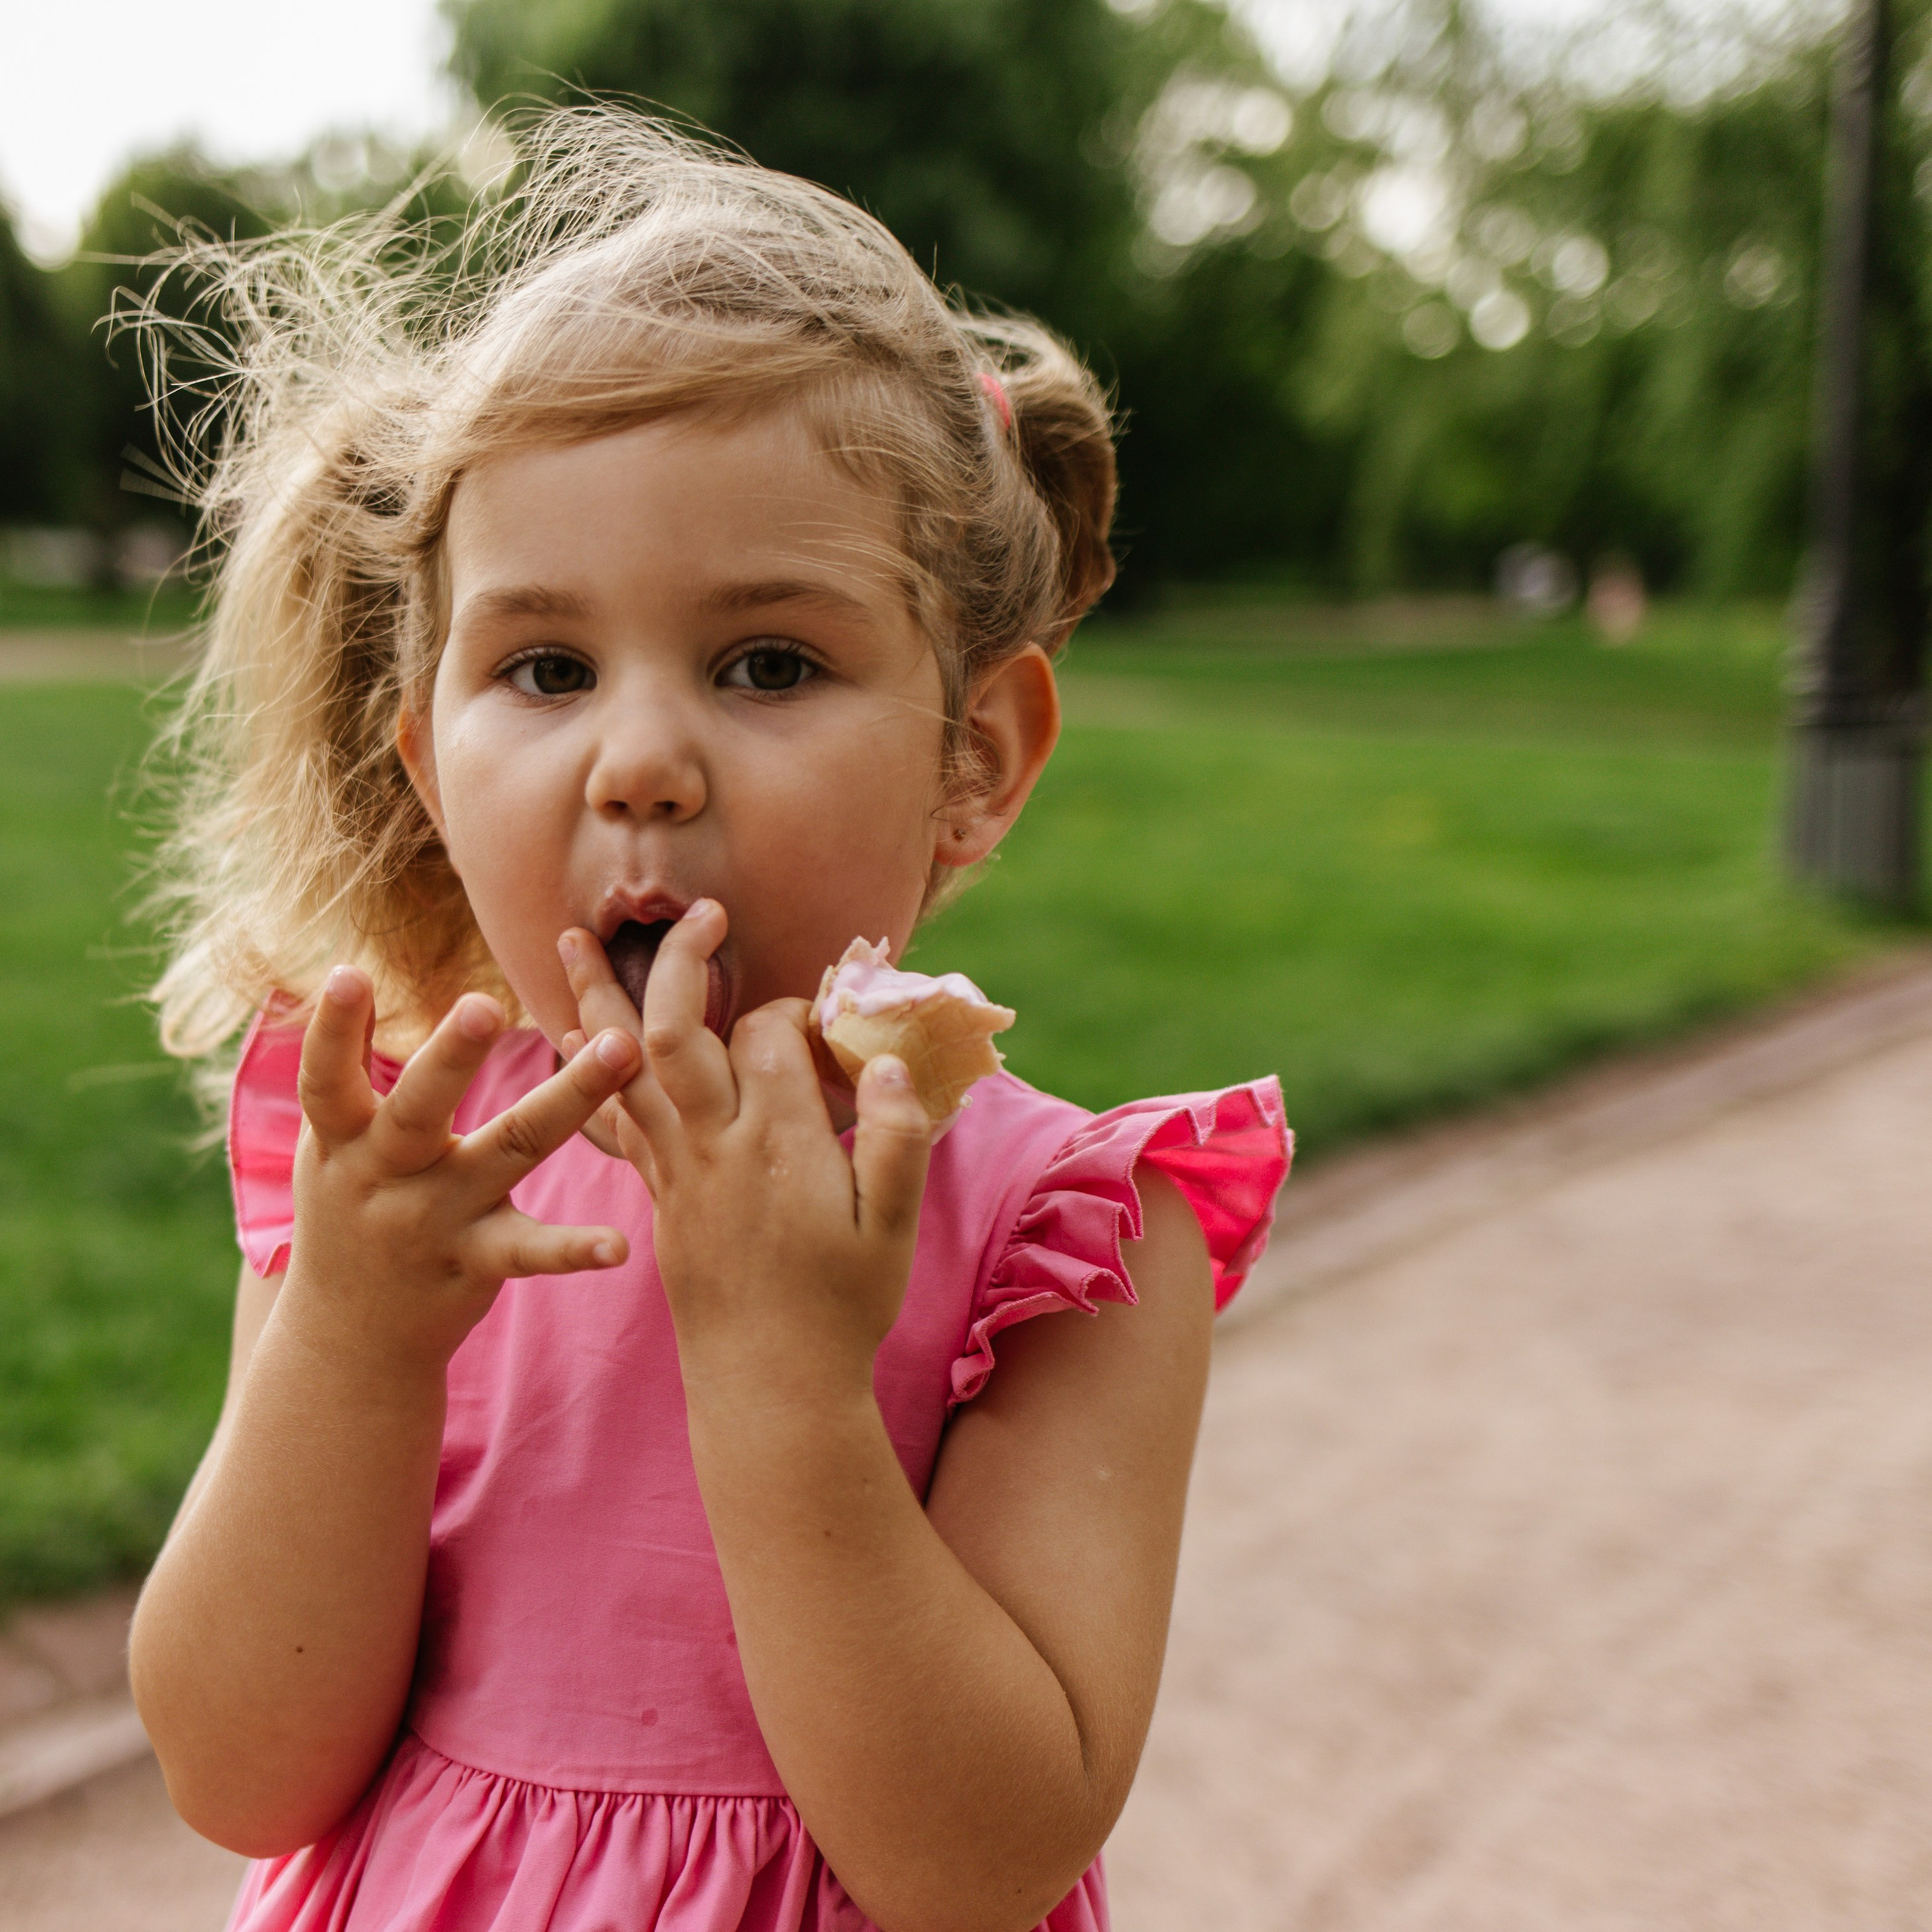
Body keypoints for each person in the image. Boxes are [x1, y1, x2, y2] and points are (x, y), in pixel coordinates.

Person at [128, 109, 1289, 1932]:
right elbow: (238, 1767)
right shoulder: (401, 1173)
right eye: (546, 666)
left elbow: (981, 1859)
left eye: (767, 662)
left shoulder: (1062, 1233)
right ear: (429, 763)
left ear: (973, 756)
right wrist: (351, 1341)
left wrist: (781, 1370)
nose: (642, 759)